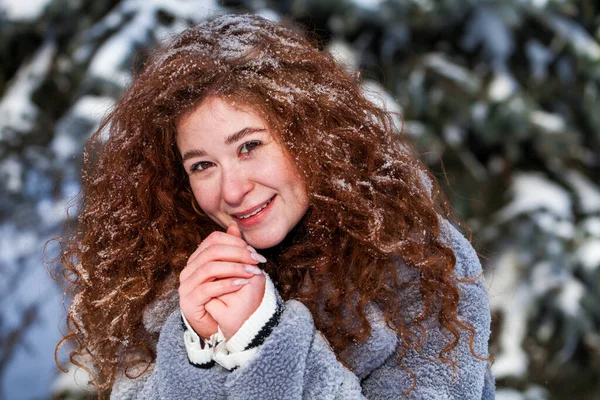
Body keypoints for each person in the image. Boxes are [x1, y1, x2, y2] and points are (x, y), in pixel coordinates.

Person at [56, 13, 495, 399]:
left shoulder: (421, 262)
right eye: (203, 165)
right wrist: (197, 348)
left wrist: (260, 337)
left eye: (249, 146)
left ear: (309, 135)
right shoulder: (169, 275)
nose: (231, 191)